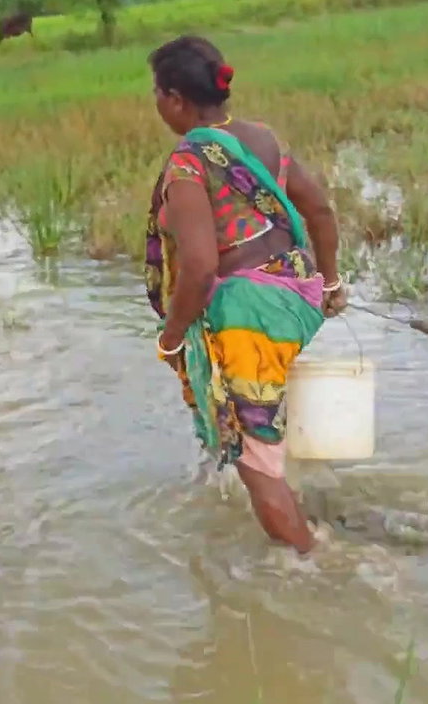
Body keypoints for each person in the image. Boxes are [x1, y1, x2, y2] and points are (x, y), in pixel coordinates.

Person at [145, 36, 347, 553]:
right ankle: (305, 506)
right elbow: (319, 213)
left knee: (257, 467)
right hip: (296, 301)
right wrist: (331, 283)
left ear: (174, 98)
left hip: (249, 318)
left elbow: (200, 266)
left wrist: (170, 339)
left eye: (156, 93)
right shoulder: (264, 139)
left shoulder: (190, 160)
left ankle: (320, 569)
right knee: (266, 428)